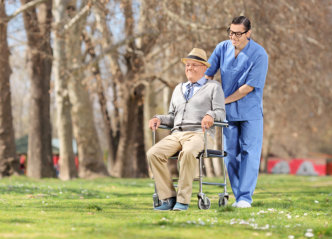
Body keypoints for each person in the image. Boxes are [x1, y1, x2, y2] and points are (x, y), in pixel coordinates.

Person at [147, 48, 225, 211]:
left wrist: (210, 115)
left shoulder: (213, 87)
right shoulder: (178, 89)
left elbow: (221, 112)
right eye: (187, 65)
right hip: (177, 134)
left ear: (205, 68)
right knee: (153, 153)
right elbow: (172, 116)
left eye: (194, 65)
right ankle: (168, 198)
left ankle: (183, 200)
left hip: (200, 134)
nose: (189, 68)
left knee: (188, 152)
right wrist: (158, 119)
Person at [205, 16, 268, 208]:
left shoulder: (259, 54)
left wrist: (222, 101)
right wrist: (204, 91)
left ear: (248, 33)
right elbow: (208, 73)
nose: (233, 37)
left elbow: (248, 87)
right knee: (230, 154)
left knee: (249, 153)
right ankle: (238, 194)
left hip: (250, 113)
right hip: (228, 114)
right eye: (231, 32)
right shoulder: (222, 48)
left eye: (238, 33)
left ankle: (245, 198)